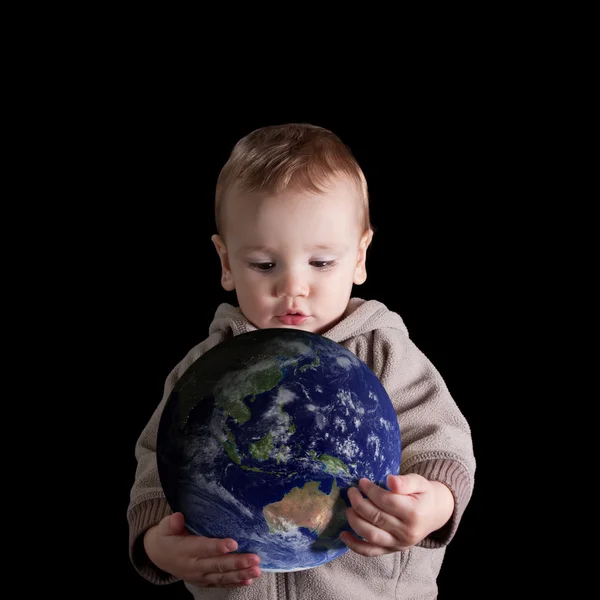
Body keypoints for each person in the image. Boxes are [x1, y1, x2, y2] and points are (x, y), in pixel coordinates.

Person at [127, 123, 476, 599]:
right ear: (226, 262)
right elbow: (154, 470)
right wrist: (155, 544)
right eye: (265, 265)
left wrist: (433, 505)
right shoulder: (205, 373)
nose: (294, 287)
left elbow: (443, 444)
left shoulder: (383, 352)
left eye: (322, 262)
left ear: (359, 256)